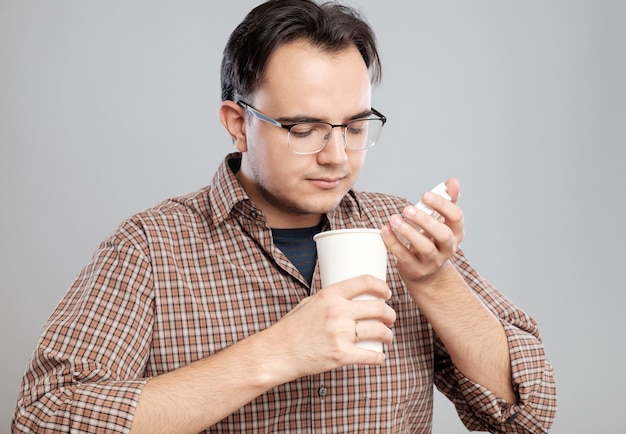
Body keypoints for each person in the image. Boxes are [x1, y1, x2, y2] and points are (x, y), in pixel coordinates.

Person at [12, 0, 557, 432]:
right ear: (237, 122)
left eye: (356, 126)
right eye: (304, 128)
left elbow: (529, 412)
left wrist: (436, 282)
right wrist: (277, 352)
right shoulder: (150, 247)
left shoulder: (403, 233)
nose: (338, 156)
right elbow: (46, 419)